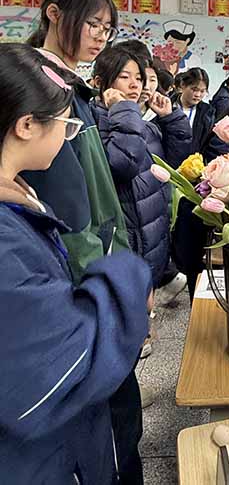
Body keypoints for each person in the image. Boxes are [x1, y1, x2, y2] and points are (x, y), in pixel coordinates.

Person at [0, 44, 152, 484]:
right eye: (65, 125)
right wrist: (127, 281)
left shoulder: (20, 193)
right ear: (27, 125)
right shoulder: (5, 239)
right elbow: (59, 362)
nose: (69, 137)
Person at [91, 46, 191, 290]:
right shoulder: (97, 121)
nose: (135, 84)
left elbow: (174, 163)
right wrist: (123, 110)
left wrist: (170, 118)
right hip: (127, 239)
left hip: (153, 233)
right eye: (124, 77)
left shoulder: (139, 122)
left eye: (139, 78)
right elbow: (123, 165)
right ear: (99, 82)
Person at [172, 68, 229, 299]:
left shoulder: (208, 112)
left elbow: (212, 146)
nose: (197, 94)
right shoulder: (168, 108)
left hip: (196, 180)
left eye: (202, 90)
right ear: (181, 87)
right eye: (193, 89)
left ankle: (190, 279)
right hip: (171, 175)